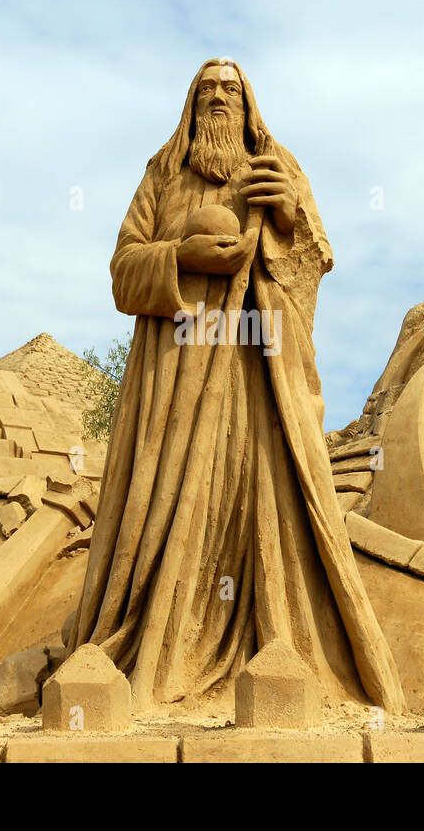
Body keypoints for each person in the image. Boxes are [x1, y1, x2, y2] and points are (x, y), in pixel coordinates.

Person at [70, 58, 404, 713]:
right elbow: (121, 272)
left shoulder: (280, 166)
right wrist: (181, 258)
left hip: (258, 382)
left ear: (251, 107)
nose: (218, 100)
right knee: (171, 509)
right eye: (207, 92)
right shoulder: (162, 175)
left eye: (230, 92)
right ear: (191, 105)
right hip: (175, 386)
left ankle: (273, 649)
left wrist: (287, 216)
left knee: (259, 504)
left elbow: (313, 266)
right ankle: (161, 642)